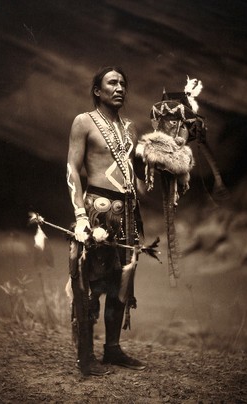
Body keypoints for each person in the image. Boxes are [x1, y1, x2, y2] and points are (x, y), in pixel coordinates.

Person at [67, 66, 146, 376]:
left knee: (121, 284)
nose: (119, 88)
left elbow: (137, 180)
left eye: (123, 83)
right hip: (97, 210)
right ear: (97, 90)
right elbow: (73, 168)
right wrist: (79, 215)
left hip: (128, 212)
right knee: (90, 284)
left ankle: (112, 350)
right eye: (112, 82)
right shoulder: (83, 122)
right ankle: (85, 357)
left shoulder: (131, 129)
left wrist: (164, 174)